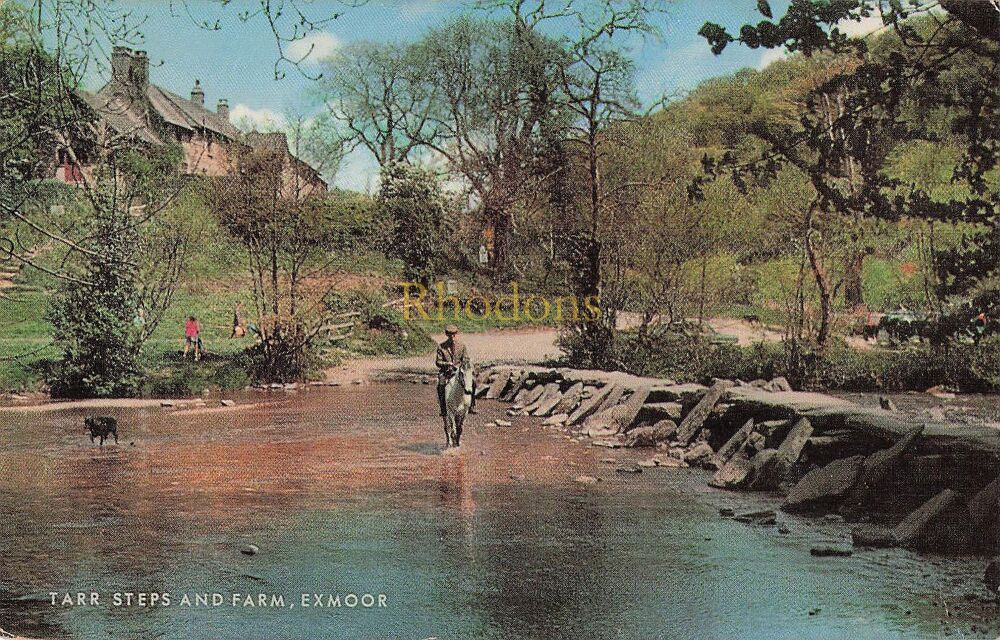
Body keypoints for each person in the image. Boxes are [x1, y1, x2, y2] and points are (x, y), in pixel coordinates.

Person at [435, 325, 477, 418]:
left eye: (453, 335)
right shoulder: (441, 347)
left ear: (456, 334)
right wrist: (448, 364)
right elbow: (438, 362)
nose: (452, 337)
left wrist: (462, 365)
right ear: (446, 335)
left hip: (460, 371)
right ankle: (443, 408)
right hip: (447, 372)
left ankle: (472, 405)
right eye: (450, 335)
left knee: (473, 381)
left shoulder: (462, 346)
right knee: (440, 385)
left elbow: (466, 358)